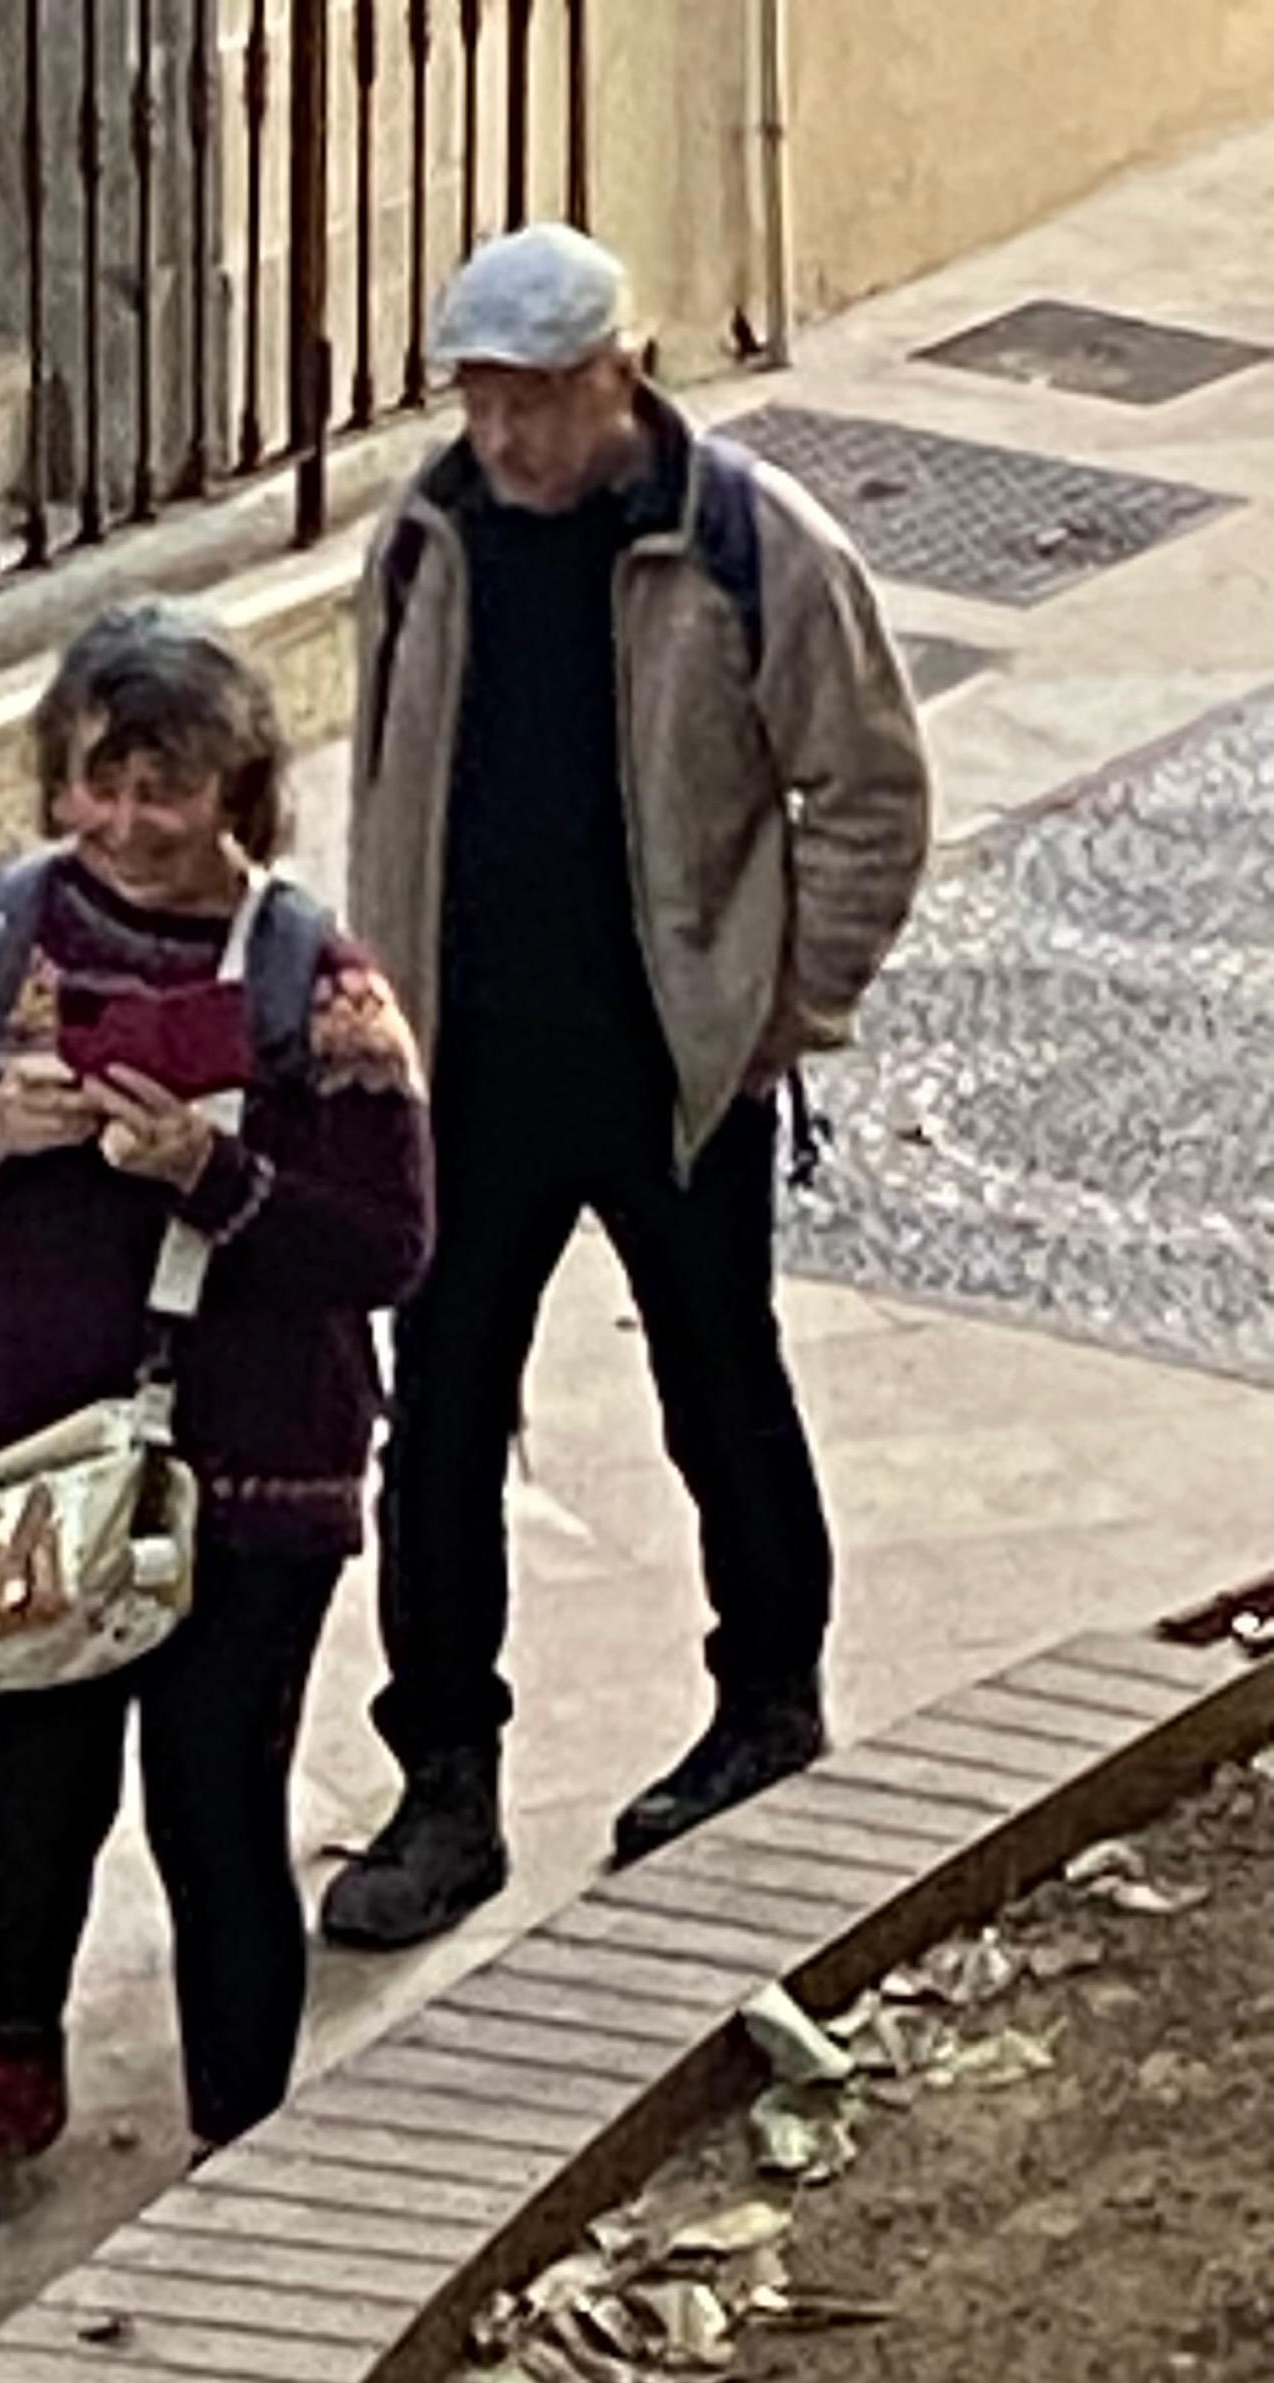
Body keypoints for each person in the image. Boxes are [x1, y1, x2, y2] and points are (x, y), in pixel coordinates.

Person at [323, 220, 932, 1954]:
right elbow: (385, 781)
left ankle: (766, 1704)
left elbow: (869, 791)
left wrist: (780, 1005)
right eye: (477, 399)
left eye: (532, 399)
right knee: (432, 1427)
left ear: (618, 375)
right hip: (469, 1073)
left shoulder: (746, 545)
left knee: (714, 1385)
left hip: (672, 1065)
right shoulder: (426, 537)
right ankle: (442, 1780)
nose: (501, 436)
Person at [0, 605, 436, 2243]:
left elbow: (385, 1243)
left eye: (160, 790)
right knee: (21, 1798)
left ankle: (238, 2129)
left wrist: (211, 1176)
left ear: (233, 791)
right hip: (27, 1459)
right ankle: (0, 2071)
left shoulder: (317, 982)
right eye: (94, 786)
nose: (122, 825)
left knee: (212, 1805)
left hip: (248, 1472)